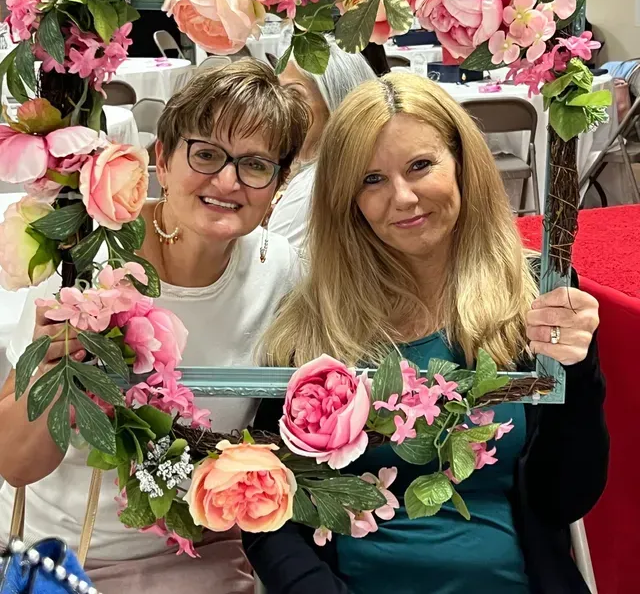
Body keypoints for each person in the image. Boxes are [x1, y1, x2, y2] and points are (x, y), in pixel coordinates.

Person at [245, 73, 608, 594]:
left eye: (420, 166)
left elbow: (565, 499)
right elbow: (272, 509)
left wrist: (580, 373)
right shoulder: (311, 321)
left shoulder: (536, 299)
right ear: (347, 199)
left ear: (462, 163)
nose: (403, 198)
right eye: (371, 180)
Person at [0, 60, 309, 594]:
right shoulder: (85, 258)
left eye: (255, 165)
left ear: (278, 185)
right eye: (207, 154)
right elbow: (18, 465)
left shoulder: (282, 274)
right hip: (66, 555)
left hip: (203, 554)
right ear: (161, 161)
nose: (228, 181)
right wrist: (54, 368)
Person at [270, 42, 377, 251]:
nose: (281, 108)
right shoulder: (364, 167)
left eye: (294, 95)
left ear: (334, 103)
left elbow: (266, 270)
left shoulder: (313, 189)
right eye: (280, 96)